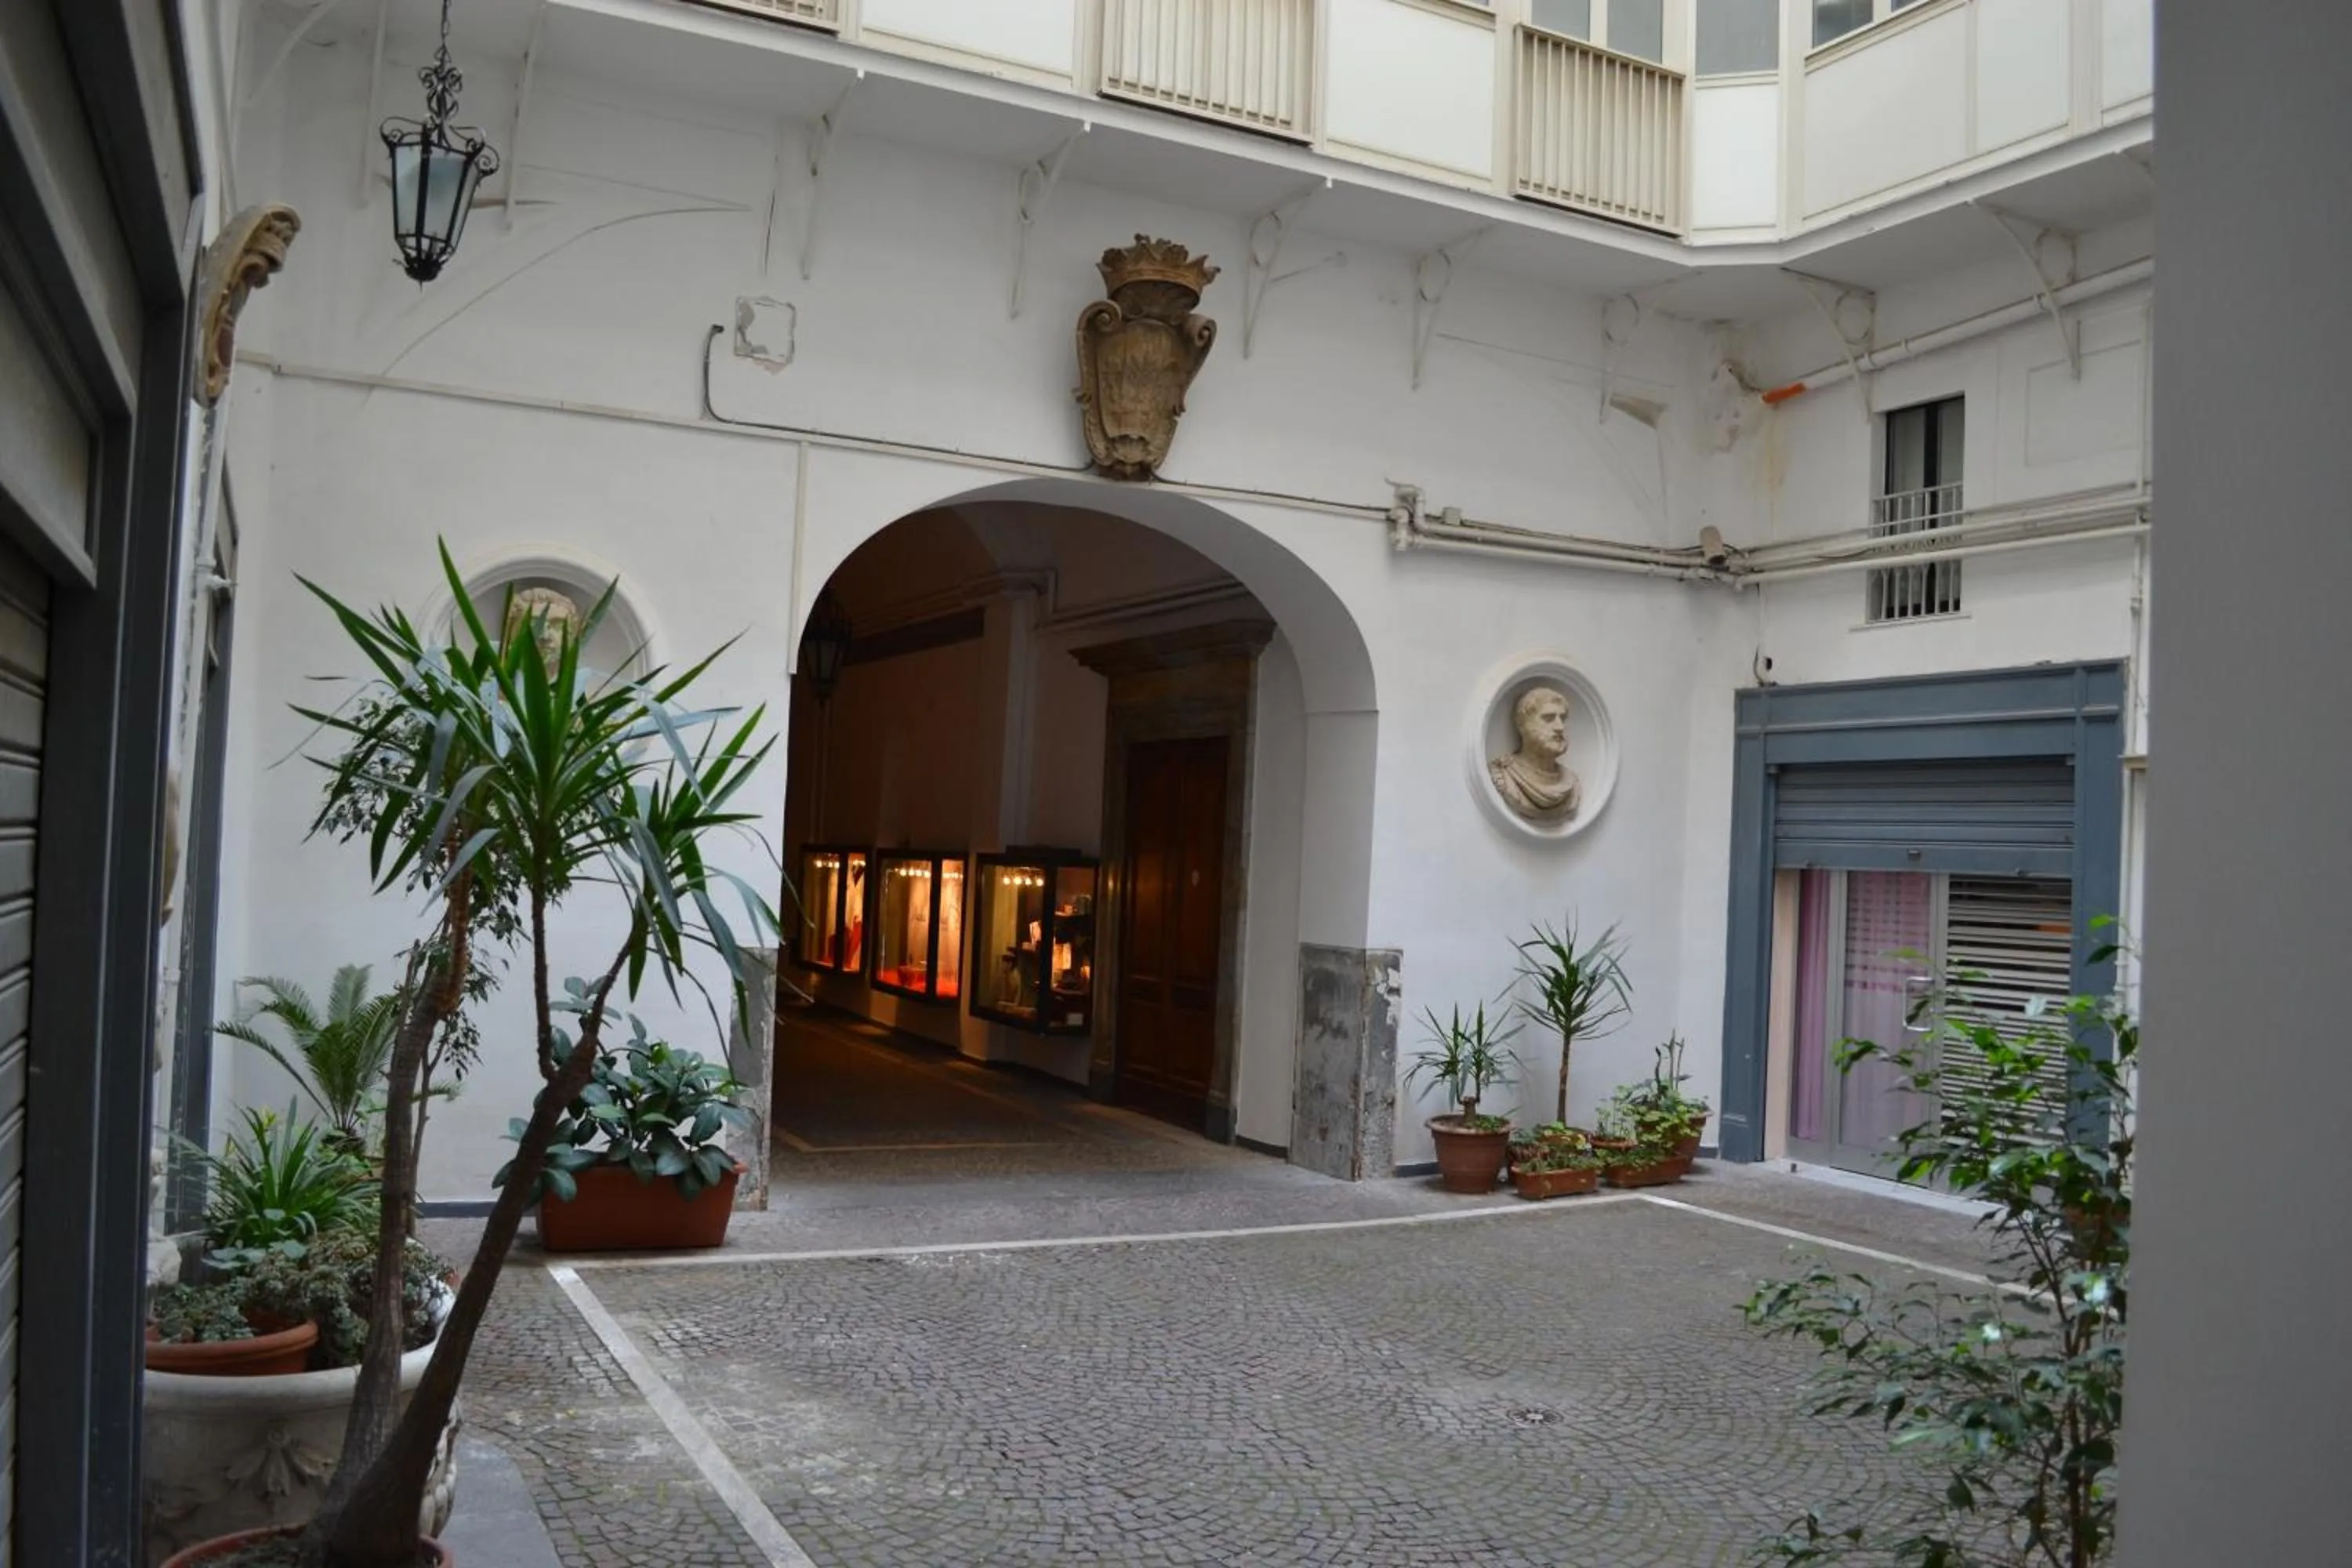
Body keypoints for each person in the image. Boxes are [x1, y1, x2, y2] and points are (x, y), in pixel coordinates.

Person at [1489, 684, 1581, 823]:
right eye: (1549, 718)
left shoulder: (1571, 782)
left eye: (1562, 719)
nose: (1560, 727)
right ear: (1522, 724)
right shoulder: (1505, 775)